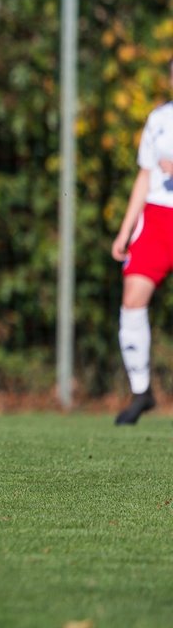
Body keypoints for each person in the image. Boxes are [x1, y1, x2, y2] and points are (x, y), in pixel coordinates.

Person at [110, 62, 173, 424]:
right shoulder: (159, 118)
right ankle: (141, 391)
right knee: (132, 299)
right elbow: (145, 175)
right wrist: (124, 230)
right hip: (157, 219)